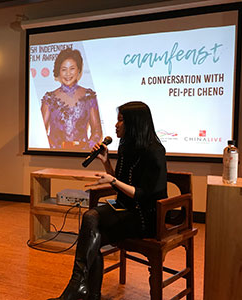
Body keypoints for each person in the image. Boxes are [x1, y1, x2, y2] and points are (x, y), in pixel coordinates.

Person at [48, 101, 167, 300]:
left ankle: (80, 287)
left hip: (145, 217)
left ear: (134, 123)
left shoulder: (154, 151)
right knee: (91, 226)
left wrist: (112, 180)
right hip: (126, 209)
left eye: (121, 120)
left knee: (91, 227)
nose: (116, 125)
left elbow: (142, 194)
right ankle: (84, 289)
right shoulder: (127, 147)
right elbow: (119, 181)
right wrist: (106, 162)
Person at [41, 48, 102, 150]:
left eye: (72, 68)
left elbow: (97, 130)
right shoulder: (49, 98)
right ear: (58, 72)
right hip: (55, 155)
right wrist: (55, 149)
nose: (68, 73)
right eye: (64, 69)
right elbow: (41, 132)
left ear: (79, 70)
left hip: (82, 156)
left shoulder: (89, 96)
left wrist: (86, 148)